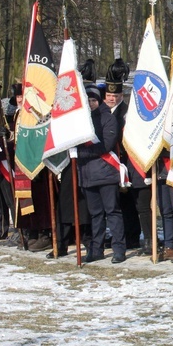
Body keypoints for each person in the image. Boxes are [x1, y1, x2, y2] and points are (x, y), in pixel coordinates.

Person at [76, 85, 127, 264]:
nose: (90, 103)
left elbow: (106, 145)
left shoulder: (108, 118)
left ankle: (119, 249)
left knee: (112, 211)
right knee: (95, 214)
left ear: (99, 100)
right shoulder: (80, 120)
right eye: (88, 100)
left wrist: (81, 154)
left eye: (93, 100)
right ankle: (96, 249)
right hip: (87, 174)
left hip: (106, 172)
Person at [105, 58, 142, 251]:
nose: (112, 98)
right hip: (107, 164)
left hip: (124, 162)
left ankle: (132, 236)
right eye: (109, 95)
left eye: (116, 95)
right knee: (112, 204)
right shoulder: (102, 112)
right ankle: (116, 234)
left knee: (128, 203)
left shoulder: (127, 113)